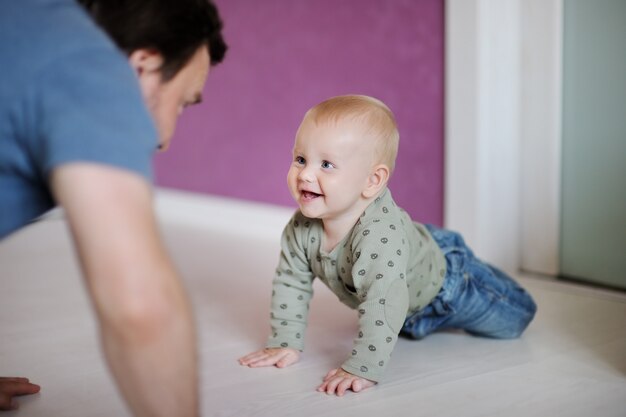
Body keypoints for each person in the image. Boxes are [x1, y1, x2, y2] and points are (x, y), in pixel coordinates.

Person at [0, 0, 226, 414]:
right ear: (142, 66)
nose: (165, 139)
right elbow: (139, 308)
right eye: (182, 101)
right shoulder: (93, 67)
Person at [238, 95, 537, 396]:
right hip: (403, 286)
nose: (305, 174)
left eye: (326, 164)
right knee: (394, 296)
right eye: (300, 159)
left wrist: (361, 366)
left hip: (448, 285)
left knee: (517, 317)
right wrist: (285, 341)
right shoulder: (301, 228)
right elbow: (291, 282)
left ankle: (474, 269)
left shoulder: (377, 236)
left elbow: (382, 300)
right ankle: (424, 248)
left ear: (372, 180)